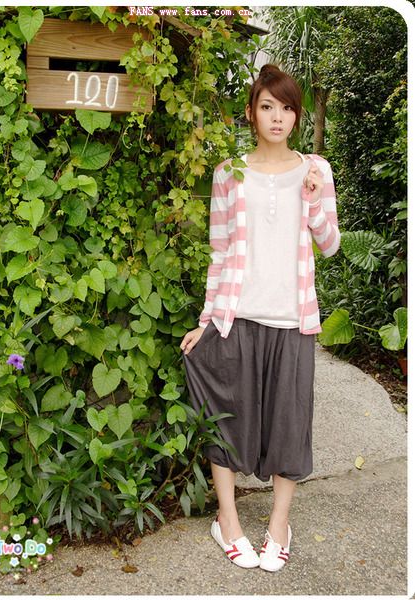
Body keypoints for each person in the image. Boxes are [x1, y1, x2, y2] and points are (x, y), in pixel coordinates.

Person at [180, 64, 341, 572]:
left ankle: (278, 525)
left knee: (289, 426)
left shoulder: (316, 169)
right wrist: (206, 320)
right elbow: (220, 252)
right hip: (237, 316)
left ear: (296, 116)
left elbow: (330, 245)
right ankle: (227, 520)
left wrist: (313, 202)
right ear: (251, 112)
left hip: (292, 319)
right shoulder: (228, 172)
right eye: (268, 106)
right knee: (227, 420)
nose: (278, 117)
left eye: (287, 108)